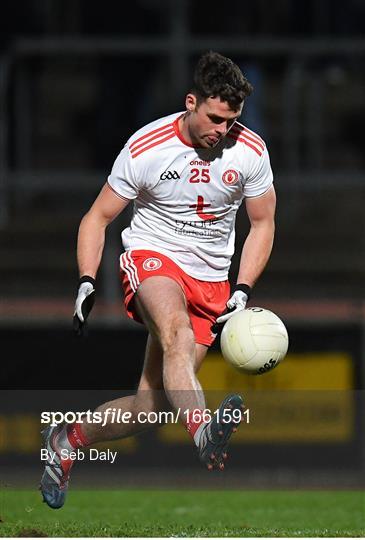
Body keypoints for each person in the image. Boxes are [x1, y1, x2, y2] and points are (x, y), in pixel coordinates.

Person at [40, 51, 276, 509]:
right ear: (191, 102)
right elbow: (96, 219)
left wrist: (243, 288)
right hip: (154, 259)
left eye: (231, 121)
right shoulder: (146, 147)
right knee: (177, 334)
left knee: (150, 409)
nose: (221, 131)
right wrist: (87, 280)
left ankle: (65, 441)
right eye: (213, 118)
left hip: (212, 281)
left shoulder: (251, 152)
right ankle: (204, 431)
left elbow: (263, 224)